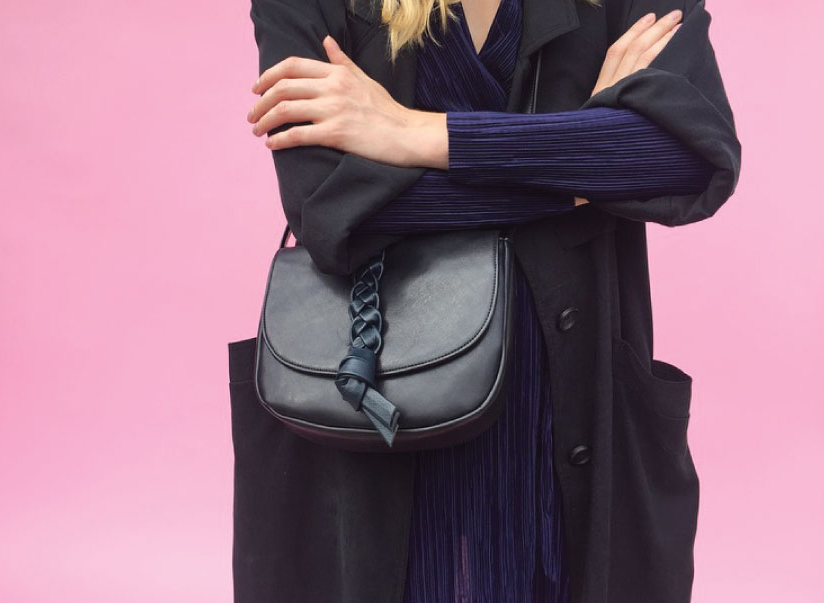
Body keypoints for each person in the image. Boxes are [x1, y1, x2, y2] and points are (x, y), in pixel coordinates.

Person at [228, 0, 741, 602]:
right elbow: (329, 208)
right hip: (385, 402)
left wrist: (411, 131)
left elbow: (680, 160)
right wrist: (582, 163)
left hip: (563, 408)